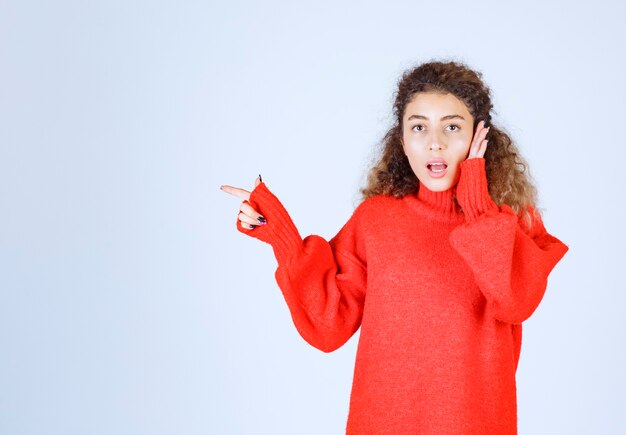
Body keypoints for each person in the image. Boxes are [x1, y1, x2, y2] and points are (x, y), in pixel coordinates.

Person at [220, 59, 569, 434]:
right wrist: (281, 235)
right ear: (402, 140)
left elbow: (514, 300)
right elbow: (327, 325)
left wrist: (477, 201)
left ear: (479, 136)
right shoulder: (377, 220)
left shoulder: (510, 222)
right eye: (419, 127)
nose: (435, 142)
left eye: (452, 126)